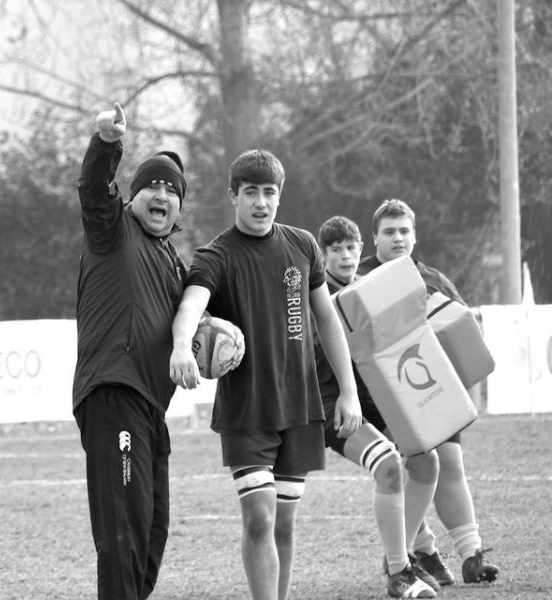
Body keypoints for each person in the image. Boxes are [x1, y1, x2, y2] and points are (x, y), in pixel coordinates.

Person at [169, 150, 363, 600]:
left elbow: (328, 320)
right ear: (233, 195)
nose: (261, 202)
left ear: (280, 196)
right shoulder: (215, 255)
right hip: (247, 410)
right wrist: (182, 345)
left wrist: (348, 391)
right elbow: (190, 306)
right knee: (259, 516)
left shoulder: (302, 245)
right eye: (251, 192)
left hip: (300, 405)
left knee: (285, 522)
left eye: (269, 193)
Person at [73, 102, 212, 600]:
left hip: (151, 408)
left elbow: (190, 327)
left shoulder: (173, 261)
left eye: (172, 190)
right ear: (132, 198)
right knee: (122, 533)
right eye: (152, 185)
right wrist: (107, 144)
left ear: (179, 208)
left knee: (152, 532)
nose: (162, 194)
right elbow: (93, 189)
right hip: (114, 393)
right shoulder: (112, 230)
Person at [358, 199, 500, 586]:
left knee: (451, 463)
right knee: (417, 470)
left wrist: (466, 396)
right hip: (386, 401)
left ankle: (471, 555)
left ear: (415, 236)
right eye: (389, 232)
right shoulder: (359, 281)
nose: (398, 238)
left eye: (404, 231)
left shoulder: (434, 279)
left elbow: (461, 335)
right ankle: (412, 554)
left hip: (434, 390)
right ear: (375, 238)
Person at [316, 216, 438, 599]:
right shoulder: (315, 296)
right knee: (388, 467)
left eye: (351, 248)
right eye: (335, 250)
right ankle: (400, 572)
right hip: (331, 407)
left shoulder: (368, 290)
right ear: (323, 256)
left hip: (373, 403)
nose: (345, 256)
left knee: (425, 460)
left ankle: (397, 556)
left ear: (360, 250)